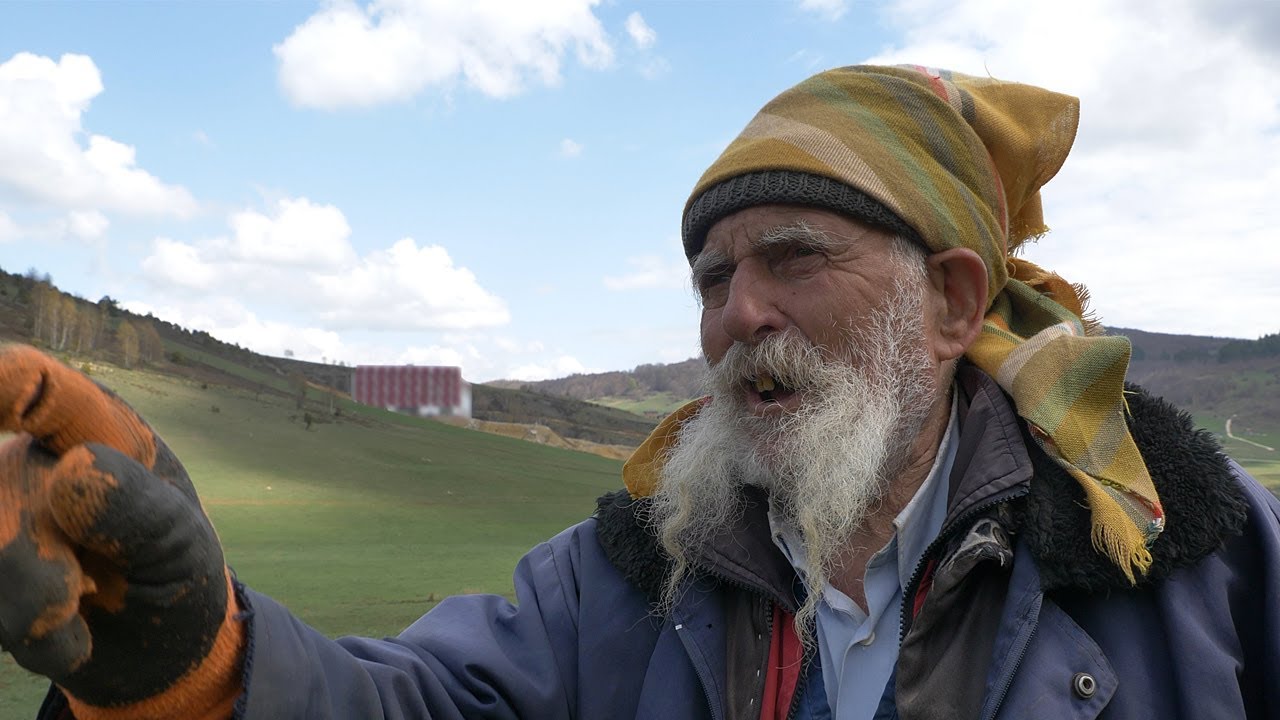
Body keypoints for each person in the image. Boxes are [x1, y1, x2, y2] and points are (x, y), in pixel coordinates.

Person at [3, 64, 1278, 720]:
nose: (736, 317)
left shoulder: (1193, 556)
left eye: (792, 260)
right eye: (712, 277)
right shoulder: (621, 577)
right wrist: (202, 669)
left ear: (950, 302)